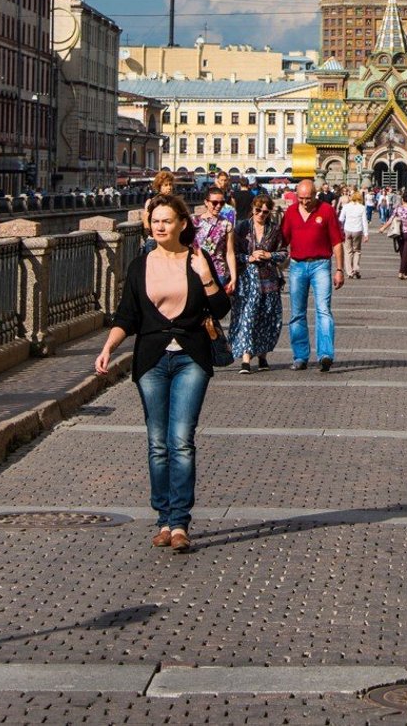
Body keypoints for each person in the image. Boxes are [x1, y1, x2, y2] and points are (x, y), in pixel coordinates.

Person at [95, 194, 229, 552]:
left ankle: (181, 523)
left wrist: (207, 278)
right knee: (157, 444)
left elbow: (221, 307)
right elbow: (128, 316)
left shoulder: (197, 260)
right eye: (154, 220)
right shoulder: (140, 265)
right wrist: (109, 346)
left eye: (166, 220)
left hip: (190, 358)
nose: (159, 226)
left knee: (181, 441)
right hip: (152, 361)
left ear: (182, 224)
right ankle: (163, 519)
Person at [281, 179, 346, 370]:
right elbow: (282, 241)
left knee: (323, 310)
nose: (304, 202)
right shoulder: (291, 212)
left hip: (320, 265)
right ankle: (300, 356)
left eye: (308, 198)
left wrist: (340, 270)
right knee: (297, 313)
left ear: (315, 194)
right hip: (297, 265)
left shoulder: (326, 210)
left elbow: (336, 242)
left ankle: (325, 354)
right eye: (300, 198)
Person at [231, 194, 287, 373]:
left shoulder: (275, 229)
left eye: (265, 211)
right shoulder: (242, 228)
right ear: (252, 209)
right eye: (258, 210)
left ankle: (262, 356)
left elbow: (284, 252)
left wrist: (270, 255)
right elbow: (233, 254)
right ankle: (246, 359)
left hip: (269, 280)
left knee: (268, 318)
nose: (261, 214)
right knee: (247, 316)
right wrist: (250, 257)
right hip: (248, 280)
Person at [192, 189, 237, 294]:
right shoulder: (194, 221)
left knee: (216, 307)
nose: (218, 206)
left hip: (218, 272)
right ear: (206, 202)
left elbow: (229, 252)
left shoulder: (226, 224)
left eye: (222, 203)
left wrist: (233, 277)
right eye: (215, 202)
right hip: (197, 270)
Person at [384, 192, 407, 280]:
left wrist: (383, 228)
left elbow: (390, 219)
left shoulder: (398, 209)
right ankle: (402, 272)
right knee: (405, 254)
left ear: (402, 199)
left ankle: (404, 272)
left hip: (399, 233)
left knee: (402, 254)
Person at [339, 188, 369, 278]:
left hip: (347, 230)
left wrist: (340, 229)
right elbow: (364, 221)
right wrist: (366, 234)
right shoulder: (362, 207)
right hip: (357, 230)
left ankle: (349, 272)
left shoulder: (346, 206)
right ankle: (356, 268)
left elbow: (341, 219)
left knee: (348, 252)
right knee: (357, 251)